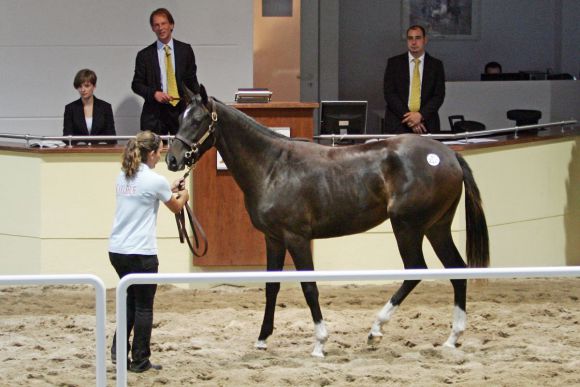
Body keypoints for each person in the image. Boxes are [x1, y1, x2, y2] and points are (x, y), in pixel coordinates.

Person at [108, 130, 189, 373]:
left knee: (129, 302)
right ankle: (140, 359)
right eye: (159, 152)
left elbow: (151, 193)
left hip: (117, 250)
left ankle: (118, 352)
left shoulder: (123, 176)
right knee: (143, 306)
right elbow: (175, 207)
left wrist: (169, 186)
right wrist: (184, 194)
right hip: (141, 253)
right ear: (151, 153)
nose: (160, 156)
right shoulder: (155, 181)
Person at [131, 8, 200, 136]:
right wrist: (154, 94)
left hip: (180, 111)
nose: (160, 28)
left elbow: (192, 81)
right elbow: (136, 84)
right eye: (156, 25)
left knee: (182, 152)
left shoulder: (185, 50)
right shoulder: (144, 55)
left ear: (171, 25)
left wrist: (197, 103)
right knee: (152, 152)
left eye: (163, 23)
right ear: (152, 28)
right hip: (154, 114)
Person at [383, 25, 446, 134]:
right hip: (398, 123)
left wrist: (420, 115)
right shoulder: (394, 63)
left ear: (425, 40)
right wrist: (411, 119)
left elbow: (438, 95)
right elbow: (389, 93)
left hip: (426, 124)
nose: (413, 42)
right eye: (410, 38)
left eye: (417, 38)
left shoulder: (436, 65)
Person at [63, 69, 116, 144]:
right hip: (78, 152)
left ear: (94, 86)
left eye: (87, 86)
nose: (83, 90)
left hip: (100, 152)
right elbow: (67, 137)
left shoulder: (105, 107)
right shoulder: (70, 108)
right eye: (80, 86)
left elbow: (112, 137)